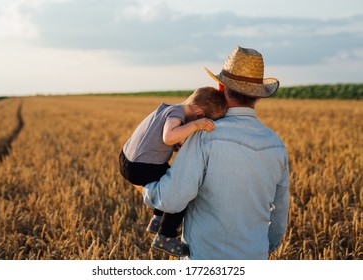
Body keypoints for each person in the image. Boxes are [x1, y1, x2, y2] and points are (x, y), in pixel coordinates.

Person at [143, 46, 290, 259]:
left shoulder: (204, 134)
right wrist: (266, 246)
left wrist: (146, 189)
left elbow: (172, 199)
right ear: (258, 97)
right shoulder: (276, 144)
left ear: (220, 87)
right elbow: (279, 212)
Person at [119, 86, 227, 256]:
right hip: (141, 166)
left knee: (166, 175)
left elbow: (159, 139)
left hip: (127, 160)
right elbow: (168, 136)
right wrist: (196, 125)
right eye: (202, 119)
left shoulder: (167, 109)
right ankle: (166, 235)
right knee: (179, 189)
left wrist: (176, 143)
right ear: (199, 114)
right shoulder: (177, 113)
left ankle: (157, 218)